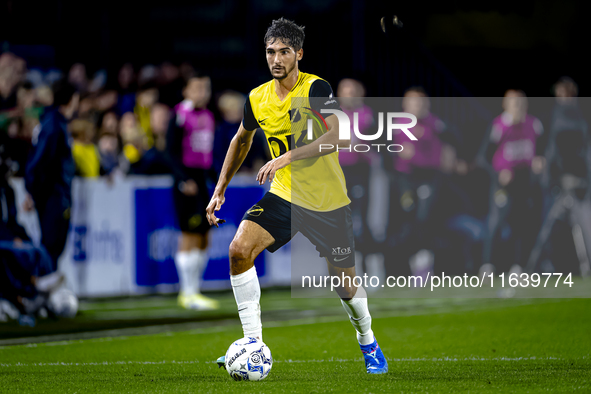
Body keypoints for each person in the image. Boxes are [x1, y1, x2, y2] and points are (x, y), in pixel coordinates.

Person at [208, 18, 387, 374]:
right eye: (270, 51)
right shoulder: (257, 98)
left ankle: (369, 342)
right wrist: (220, 188)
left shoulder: (317, 89)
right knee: (239, 249)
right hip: (285, 196)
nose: (276, 59)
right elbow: (241, 140)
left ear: (299, 54)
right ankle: (252, 344)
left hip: (328, 203)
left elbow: (339, 136)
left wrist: (288, 156)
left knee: (345, 284)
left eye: (284, 52)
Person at [477, 90, 544, 276]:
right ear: (505, 105)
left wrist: (540, 160)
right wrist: (498, 173)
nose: (519, 108)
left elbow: (543, 149)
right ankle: (488, 265)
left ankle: (518, 266)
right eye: (515, 104)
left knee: (522, 223)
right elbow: (483, 158)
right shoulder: (499, 126)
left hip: (524, 182)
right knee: (496, 222)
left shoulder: (534, 124)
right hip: (503, 184)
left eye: (522, 103)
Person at [166, 73, 218, 310]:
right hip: (186, 180)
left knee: (205, 234)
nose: (202, 92)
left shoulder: (208, 116)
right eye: (196, 88)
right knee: (189, 232)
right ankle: (187, 292)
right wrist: (182, 179)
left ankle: (195, 289)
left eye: (205, 88)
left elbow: (210, 154)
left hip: (203, 180)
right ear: (186, 91)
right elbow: (170, 150)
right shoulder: (179, 114)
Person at [23, 79, 78, 272]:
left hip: (56, 195)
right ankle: (41, 291)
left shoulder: (55, 124)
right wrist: (34, 192)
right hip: (53, 196)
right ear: (71, 100)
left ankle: (46, 289)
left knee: (53, 247)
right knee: (51, 246)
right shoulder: (53, 126)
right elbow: (39, 163)